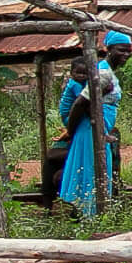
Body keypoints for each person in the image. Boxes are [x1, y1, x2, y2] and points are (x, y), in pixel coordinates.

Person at [53, 45, 122, 215]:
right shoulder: (76, 85)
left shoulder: (83, 82)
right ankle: (88, 210)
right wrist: (73, 128)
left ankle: (87, 209)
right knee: (90, 165)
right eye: (79, 73)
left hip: (82, 123)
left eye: (85, 74)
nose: (82, 76)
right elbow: (81, 105)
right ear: (71, 74)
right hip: (74, 119)